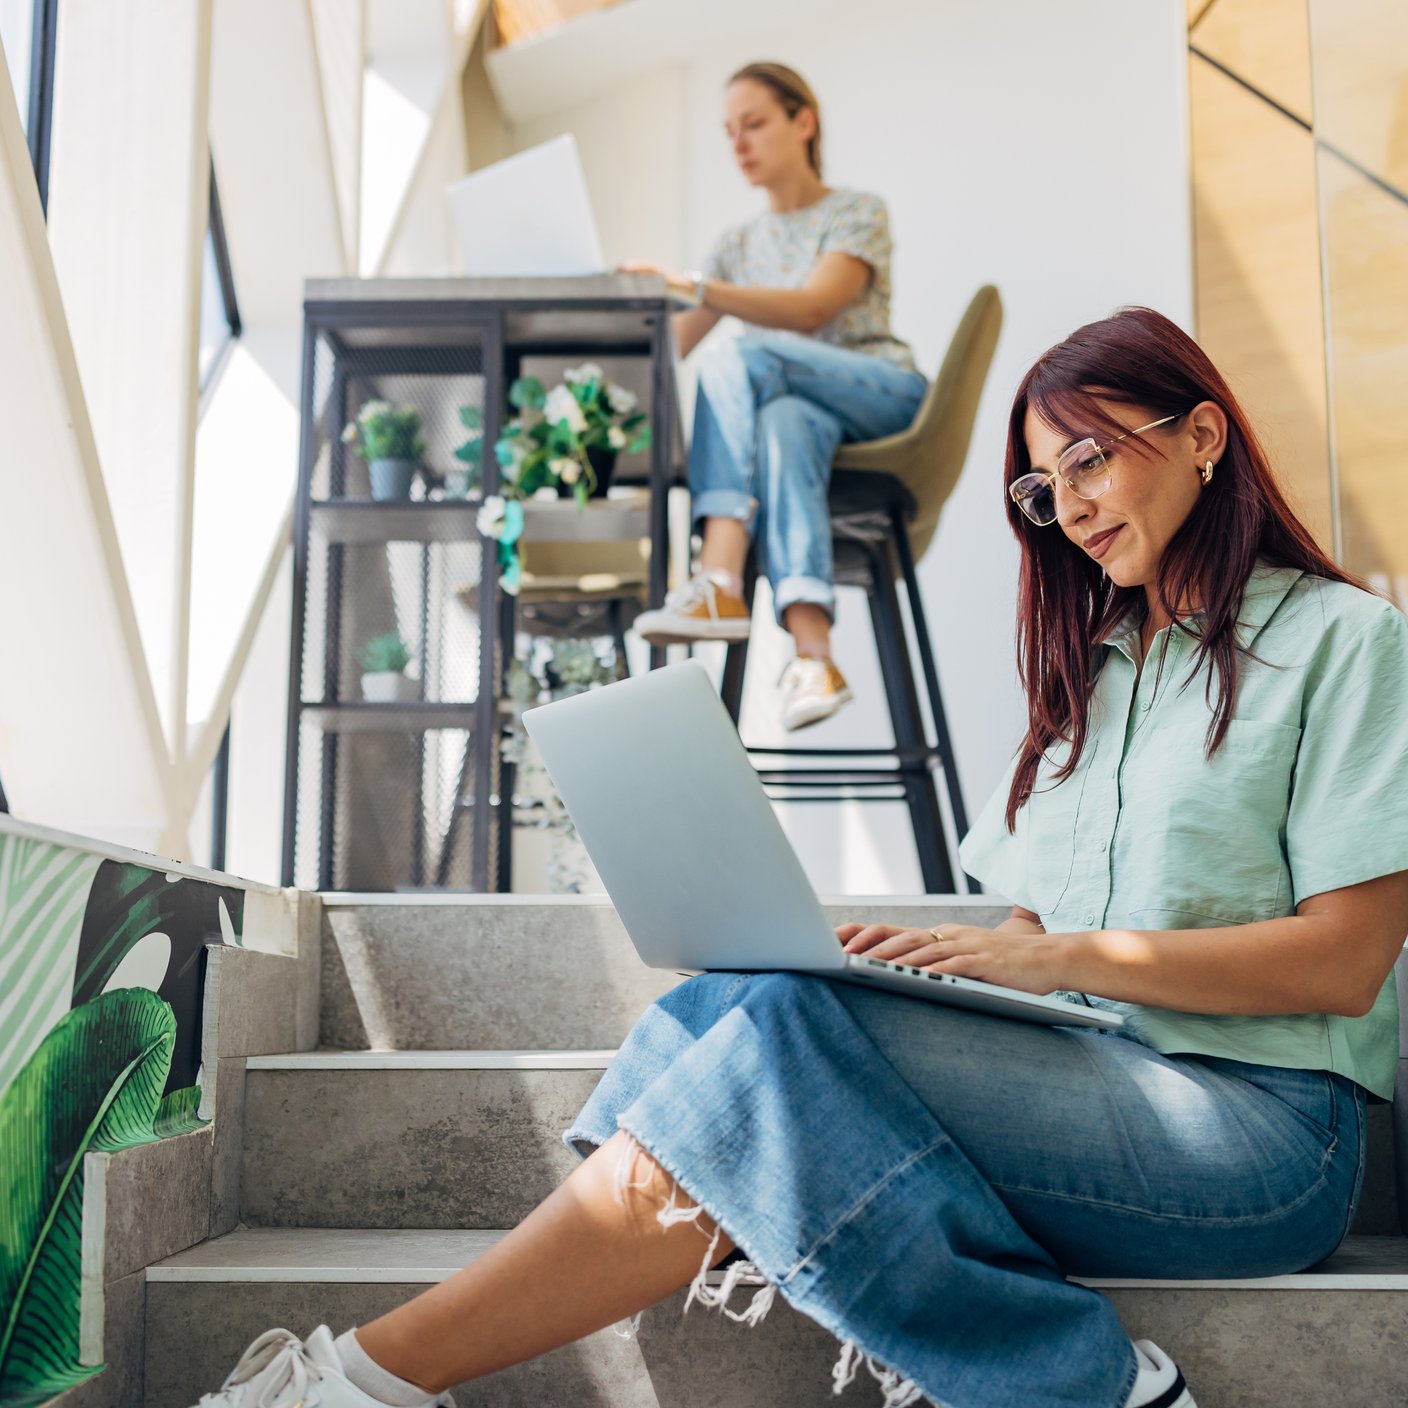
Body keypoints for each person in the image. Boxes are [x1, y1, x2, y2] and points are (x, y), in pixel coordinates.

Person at [191, 307, 1408, 1408]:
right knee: (742, 1000)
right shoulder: (1092, 674)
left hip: (1261, 1141)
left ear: (1202, 435)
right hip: (1095, 1080)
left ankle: (358, 1383)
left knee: (771, 1051)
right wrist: (962, 963)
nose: (1070, 504)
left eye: (1087, 459)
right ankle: (368, 1383)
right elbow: (1042, 929)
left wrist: (1055, 961)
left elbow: (1346, 962)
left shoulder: (1347, 641)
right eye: (1042, 487)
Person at [626, 62, 927, 732]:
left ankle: (721, 580)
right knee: (785, 422)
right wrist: (617, 312)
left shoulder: (856, 210)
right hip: (806, 416)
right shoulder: (736, 245)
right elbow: (669, 345)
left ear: (804, 122)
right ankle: (813, 656)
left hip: (880, 395)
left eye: (754, 123)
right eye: (729, 131)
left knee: (743, 350)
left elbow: (814, 309)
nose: (739, 143)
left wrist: (695, 286)